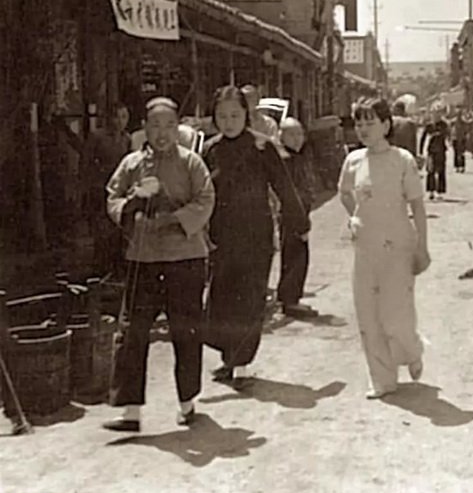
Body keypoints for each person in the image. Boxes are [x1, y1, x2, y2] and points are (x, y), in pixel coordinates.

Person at [102, 96, 215, 432]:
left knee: (186, 331)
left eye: (169, 125)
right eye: (155, 125)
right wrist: (131, 206)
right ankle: (130, 411)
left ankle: (187, 403)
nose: (162, 132)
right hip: (143, 259)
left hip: (186, 258)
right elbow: (113, 197)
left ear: (177, 127)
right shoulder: (132, 163)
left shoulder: (192, 162)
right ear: (145, 128)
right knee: (132, 333)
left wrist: (172, 220)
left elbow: (206, 199)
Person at [203, 86, 309, 388]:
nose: (229, 121)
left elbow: (284, 188)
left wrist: (299, 223)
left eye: (235, 115)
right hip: (220, 236)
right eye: (222, 116)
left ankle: (242, 364)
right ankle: (230, 358)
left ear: (246, 115)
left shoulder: (263, 147)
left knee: (249, 299)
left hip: (256, 236)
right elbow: (200, 192)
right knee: (222, 298)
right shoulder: (210, 149)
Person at [338, 98, 431, 399]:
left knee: (396, 315)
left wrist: (422, 246)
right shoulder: (353, 161)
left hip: (398, 246)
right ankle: (382, 379)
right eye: (359, 123)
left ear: (386, 125)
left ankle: (411, 349)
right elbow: (344, 192)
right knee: (368, 314)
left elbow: (417, 205)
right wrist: (354, 217)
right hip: (365, 246)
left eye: (370, 122)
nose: (363, 129)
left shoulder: (402, 160)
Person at [82, 103, 131, 277]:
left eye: (124, 117)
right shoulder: (97, 137)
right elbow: (86, 163)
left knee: (119, 228)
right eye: (116, 116)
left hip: (121, 189)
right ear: (109, 118)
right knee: (101, 230)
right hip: (100, 187)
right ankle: (100, 267)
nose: (120, 121)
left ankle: (117, 266)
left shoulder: (127, 138)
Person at [277, 117, 319, 319]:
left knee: (297, 256)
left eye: (299, 134)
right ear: (280, 135)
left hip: (299, 213)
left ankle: (291, 298)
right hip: (292, 216)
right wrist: (302, 222)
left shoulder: (297, 156)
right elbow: (290, 194)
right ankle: (290, 300)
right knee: (295, 257)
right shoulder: (285, 159)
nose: (297, 139)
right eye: (291, 134)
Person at [420, 108, 449, 200]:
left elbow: (446, 134)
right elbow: (423, 138)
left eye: (438, 114)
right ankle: (431, 191)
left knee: (441, 171)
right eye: (434, 114)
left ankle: (440, 192)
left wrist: (438, 135)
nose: (436, 116)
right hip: (431, 151)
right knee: (430, 171)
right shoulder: (429, 126)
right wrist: (420, 151)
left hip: (441, 151)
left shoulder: (444, 125)